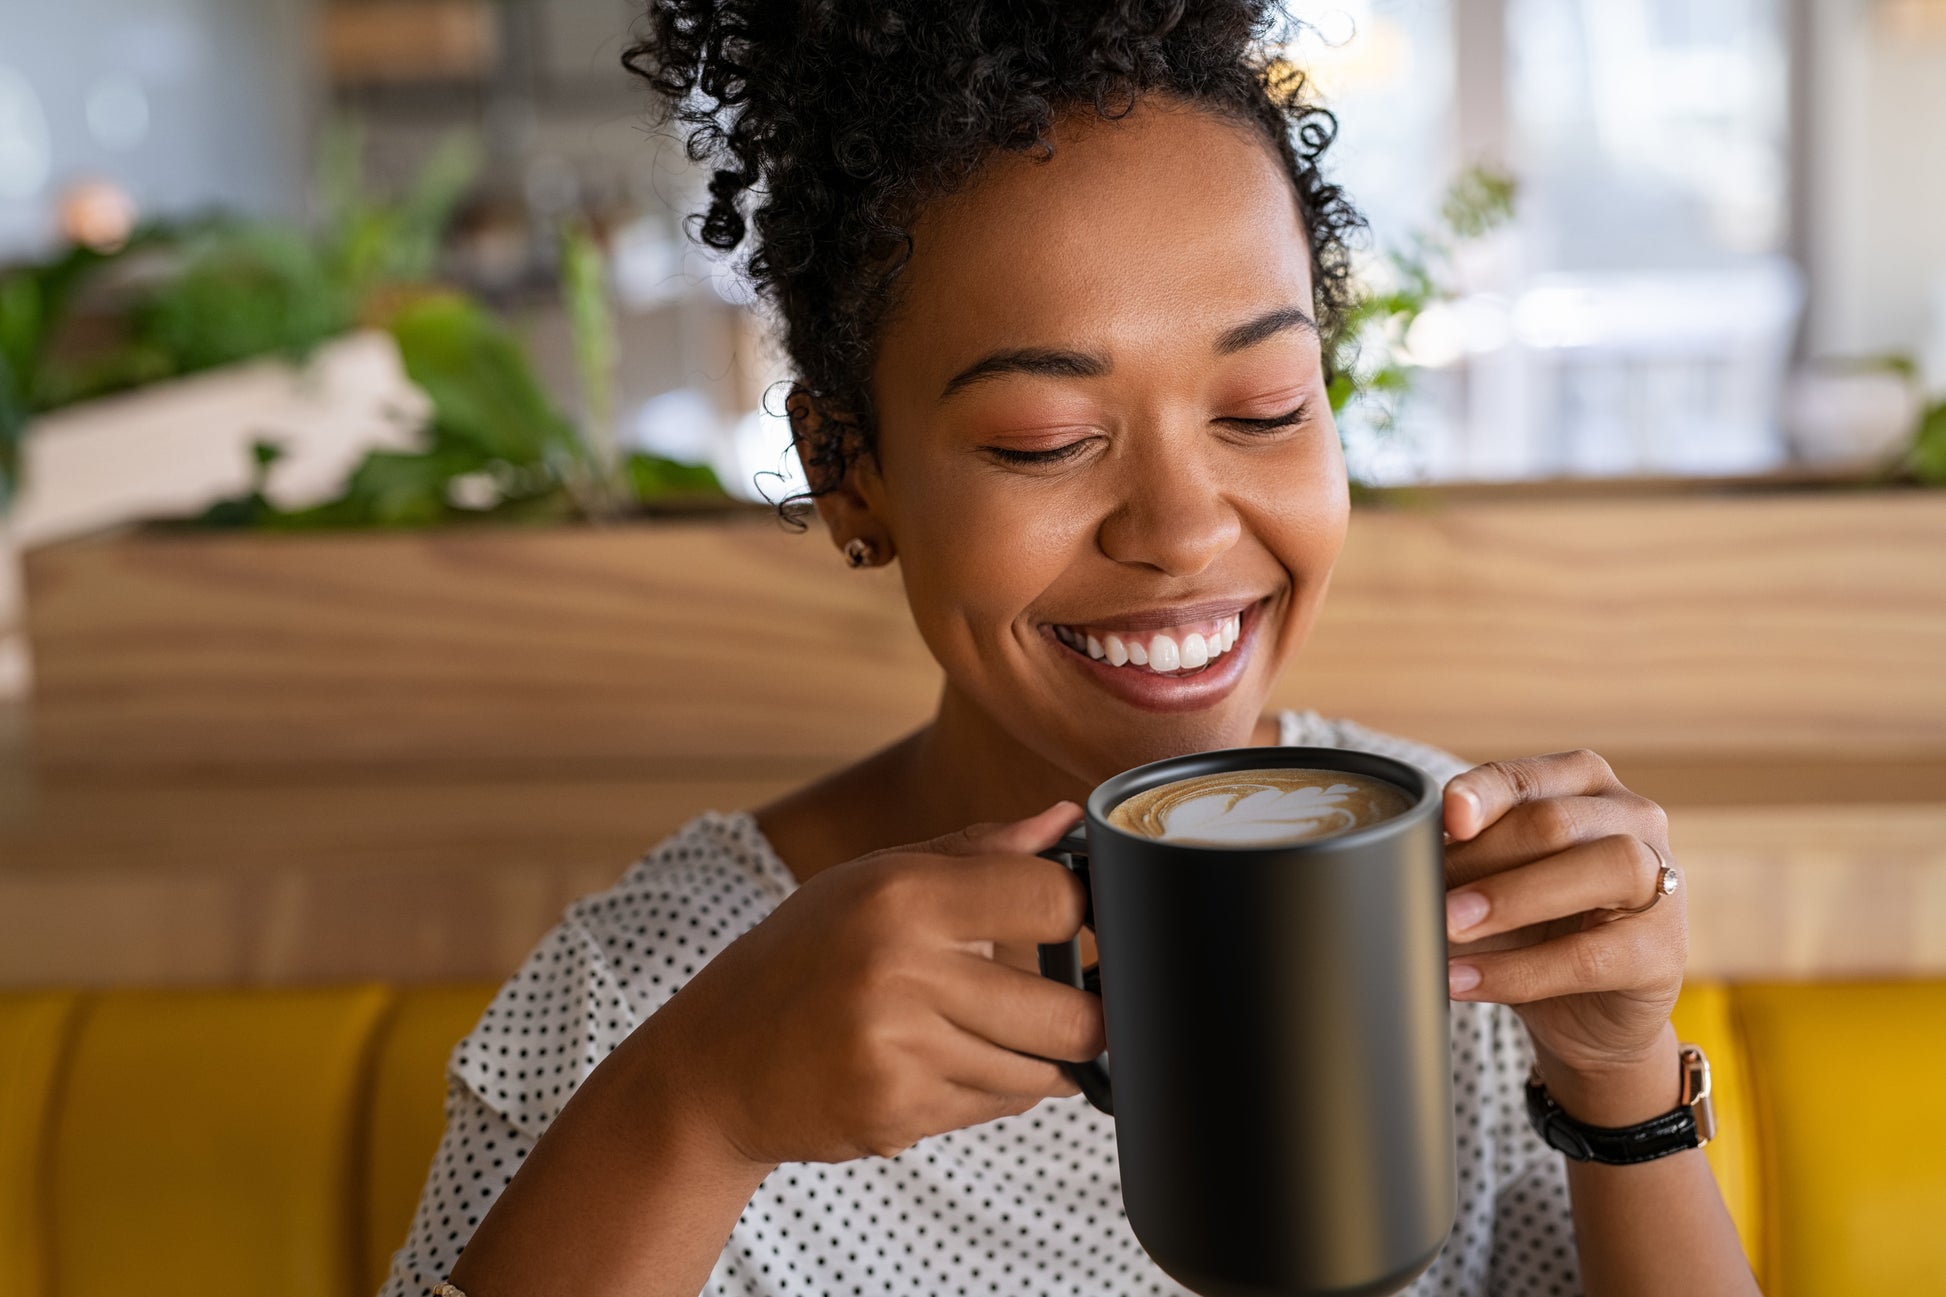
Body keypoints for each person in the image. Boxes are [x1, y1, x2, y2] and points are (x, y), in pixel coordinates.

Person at [383, 2, 1759, 1294]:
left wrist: (1620, 1079)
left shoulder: (1452, 893)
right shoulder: (641, 999)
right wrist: (691, 1110)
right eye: (1044, 439)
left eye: (1266, 407)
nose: (1178, 528)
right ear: (846, 470)